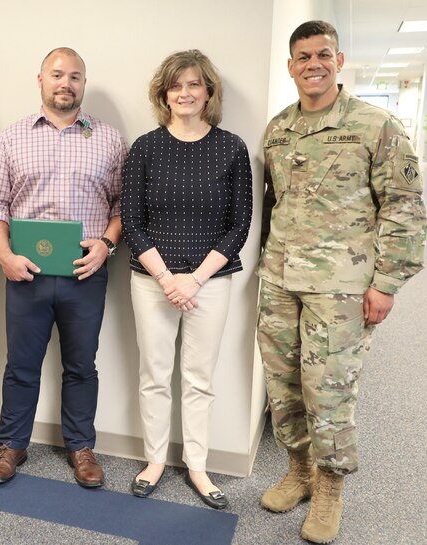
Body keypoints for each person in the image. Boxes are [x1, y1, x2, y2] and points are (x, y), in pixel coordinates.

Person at [258, 20, 426, 543]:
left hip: (344, 287)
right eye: (303, 56)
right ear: (290, 66)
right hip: (280, 279)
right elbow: (275, 204)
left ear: (339, 60)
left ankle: (330, 488)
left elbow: (405, 208)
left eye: (323, 54)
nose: (313, 64)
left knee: (328, 392)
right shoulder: (278, 128)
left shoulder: (378, 125)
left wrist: (388, 282)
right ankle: (299, 472)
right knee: (283, 387)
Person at [0, 47, 127, 488]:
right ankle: (11, 445)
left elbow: (123, 207)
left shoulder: (111, 139)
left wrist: (105, 245)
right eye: (57, 74)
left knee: (82, 365)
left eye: (75, 76)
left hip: (86, 274)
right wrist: (4, 256)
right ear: (39, 79)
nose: (66, 83)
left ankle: (81, 447)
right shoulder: (11, 137)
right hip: (26, 276)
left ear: (84, 83)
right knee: (21, 365)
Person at [121, 50, 252, 508]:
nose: (185, 93)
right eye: (176, 86)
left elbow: (241, 224)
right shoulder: (145, 147)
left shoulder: (232, 147)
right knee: (153, 374)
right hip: (152, 280)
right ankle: (154, 460)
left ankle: (197, 466)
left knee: (199, 379)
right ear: (164, 94)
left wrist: (193, 279)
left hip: (210, 282)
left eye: (194, 84)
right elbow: (131, 221)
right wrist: (166, 278)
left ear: (208, 92)